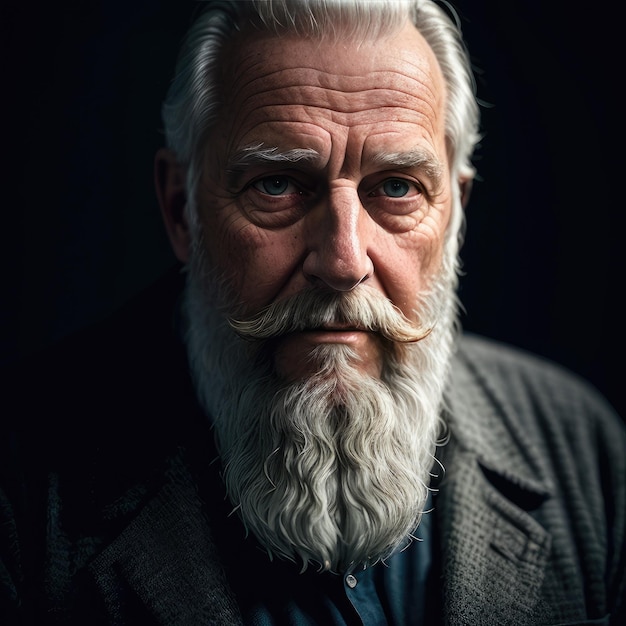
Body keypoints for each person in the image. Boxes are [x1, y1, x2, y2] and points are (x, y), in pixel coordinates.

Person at [1, 0, 624, 624]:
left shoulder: (584, 454)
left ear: (454, 214)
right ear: (179, 209)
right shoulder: (21, 493)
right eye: (276, 185)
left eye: (398, 187)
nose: (344, 261)